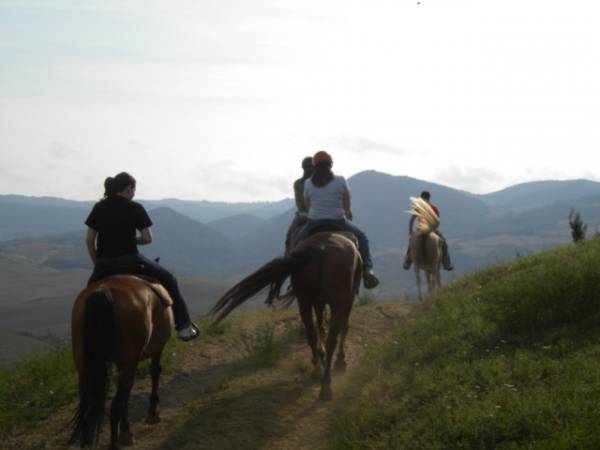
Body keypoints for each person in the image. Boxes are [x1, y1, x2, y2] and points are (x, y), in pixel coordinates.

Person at [84, 172, 199, 341]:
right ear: (129, 188)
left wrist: (98, 263)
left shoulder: (98, 207)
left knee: (89, 297)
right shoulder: (135, 207)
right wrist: (131, 240)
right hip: (131, 260)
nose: (134, 193)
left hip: (103, 264)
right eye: (133, 189)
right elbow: (147, 238)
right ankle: (183, 326)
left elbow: (89, 240)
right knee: (170, 279)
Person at [294, 151, 379, 289]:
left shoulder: (308, 183)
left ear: (315, 167)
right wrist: (348, 211)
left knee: (297, 242)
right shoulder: (340, 180)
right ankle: (368, 270)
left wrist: (315, 213)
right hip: (338, 221)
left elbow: (308, 204)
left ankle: (292, 274)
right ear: (330, 165)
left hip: (314, 222)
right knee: (362, 237)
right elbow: (346, 198)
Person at [403, 190, 453, 271]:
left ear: (421, 198)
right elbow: (437, 221)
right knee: (444, 243)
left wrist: (410, 232)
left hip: (420, 230)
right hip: (432, 230)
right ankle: (447, 264)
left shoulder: (419, 207)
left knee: (411, 243)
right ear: (429, 198)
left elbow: (411, 220)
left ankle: (407, 262)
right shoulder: (434, 207)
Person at [285, 157, 314, 249]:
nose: (308, 169)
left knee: (289, 236)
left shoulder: (298, 183)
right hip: (317, 214)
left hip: (303, 215)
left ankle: (288, 256)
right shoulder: (320, 182)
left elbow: (298, 202)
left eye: (310, 167)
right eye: (307, 167)